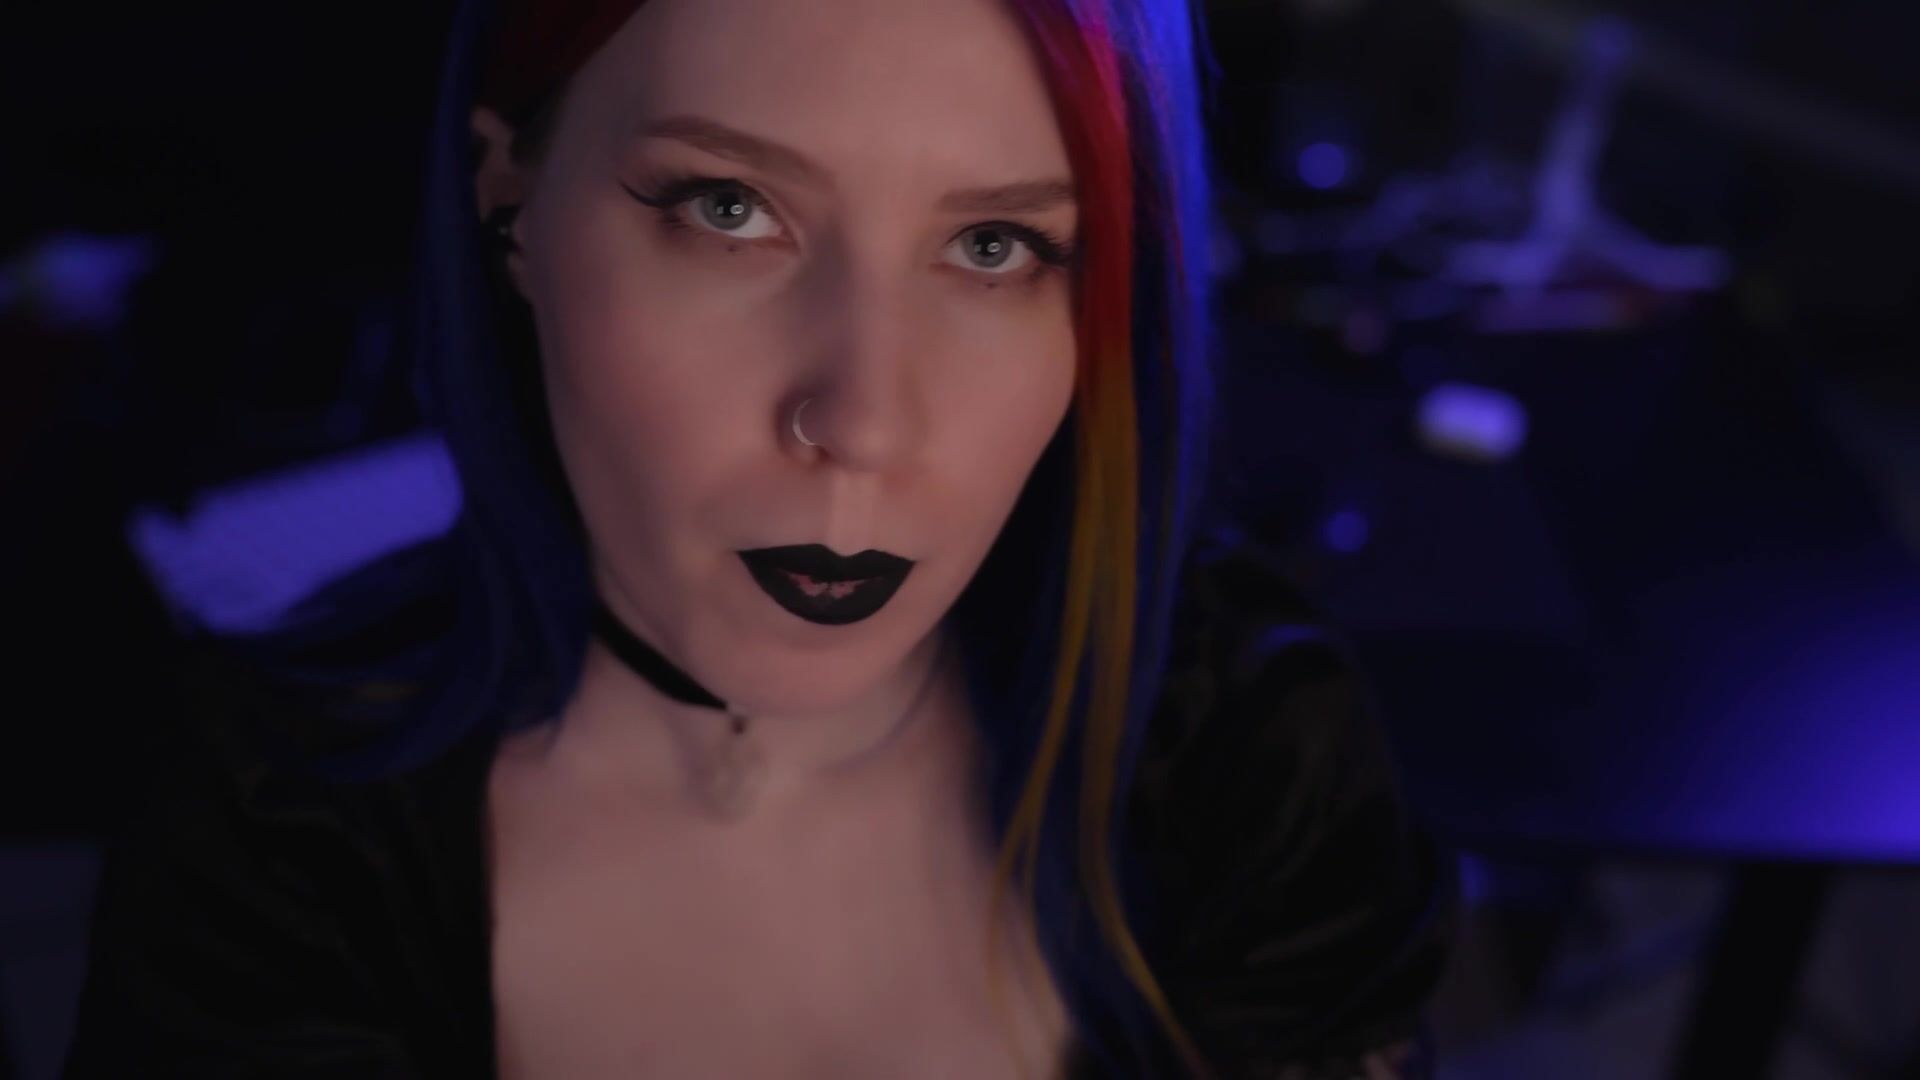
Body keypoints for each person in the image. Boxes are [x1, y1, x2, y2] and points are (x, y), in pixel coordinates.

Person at [63, 0, 1458, 1076]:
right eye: (729, 210)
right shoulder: (274, 833)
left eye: (995, 247)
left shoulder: (1247, 752)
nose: (863, 422)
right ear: (510, 207)